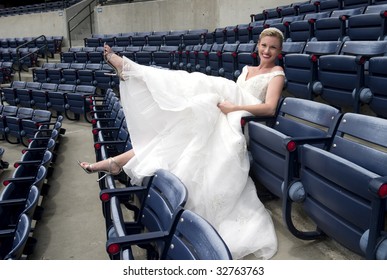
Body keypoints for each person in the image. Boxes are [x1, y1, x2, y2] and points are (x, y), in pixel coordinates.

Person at [79, 27, 285, 260]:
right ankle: (116, 160)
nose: (267, 50)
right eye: (264, 45)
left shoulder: (277, 73)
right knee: (184, 121)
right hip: (232, 109)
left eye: (273, 47)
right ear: (258, 45)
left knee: (203, 85)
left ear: (279, 51)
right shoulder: (248, 69)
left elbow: (269, 108)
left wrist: (233, 108)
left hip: (244, 116)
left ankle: (134, 71)